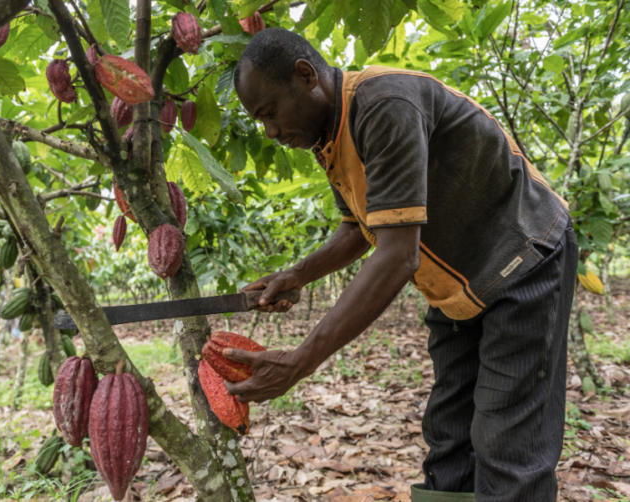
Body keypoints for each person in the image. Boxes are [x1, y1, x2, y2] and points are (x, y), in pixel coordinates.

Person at [222, 28, 578, 502]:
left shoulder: (383, 103)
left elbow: (396, 254)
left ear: (305, 77)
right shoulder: (330, 135)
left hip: (522, 260)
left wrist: (299, 361)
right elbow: (358, 228)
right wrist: (299, 274)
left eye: (269, 113)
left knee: (506, 446)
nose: (269, 130)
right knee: (449, 442)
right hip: (458, 287)